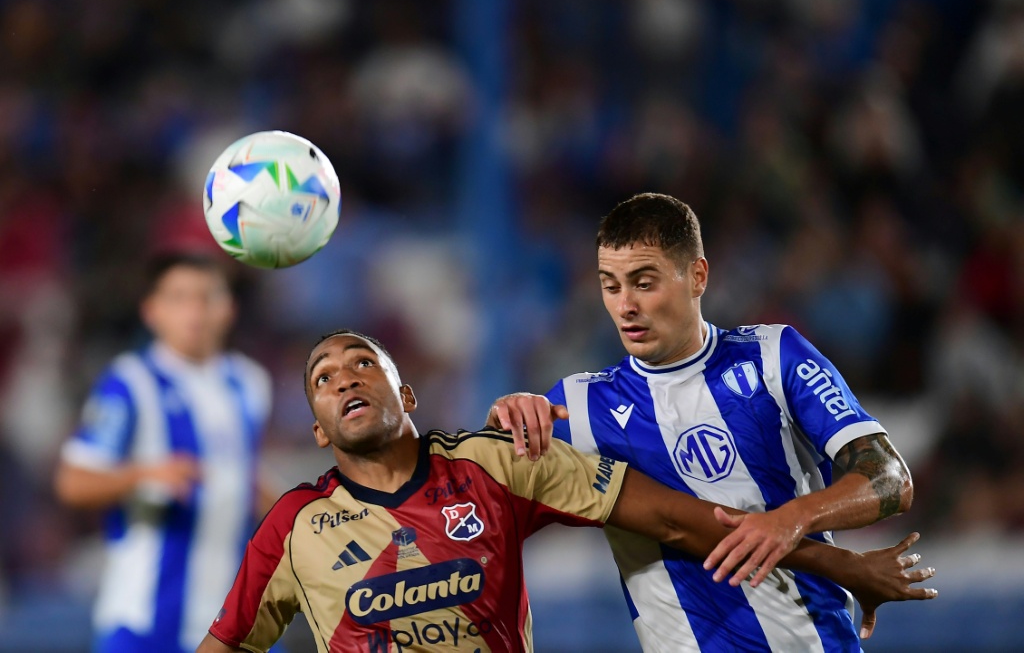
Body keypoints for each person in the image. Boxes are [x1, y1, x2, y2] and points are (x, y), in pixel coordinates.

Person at [197, 329, 935, 653]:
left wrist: (837, 565)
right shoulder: (295, 523)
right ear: (319, 429)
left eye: (363, 363)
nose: (345, 378)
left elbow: (685, 522)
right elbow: (229, 643)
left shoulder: (498, 467)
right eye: (323, 379)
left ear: (407, 391)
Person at [487, 192, 922, 651]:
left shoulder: (773, 355)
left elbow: (890, 478)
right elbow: (475, 495)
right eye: (610, 285)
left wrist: (790, 519)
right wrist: (505, 415)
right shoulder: (580, 404)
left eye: (644, 282)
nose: (625, 306)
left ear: (697, 276)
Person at [54, 252, 274, 653]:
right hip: (146, 618)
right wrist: (143, 475)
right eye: (179, 298)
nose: (195, 311)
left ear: (229, 309)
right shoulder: (129, 383)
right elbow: (73, 481)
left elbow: (242, 477)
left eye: (207, 297)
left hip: (235, 619)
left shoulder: (251, 384)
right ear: (152, 311)